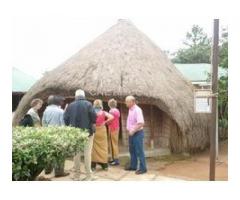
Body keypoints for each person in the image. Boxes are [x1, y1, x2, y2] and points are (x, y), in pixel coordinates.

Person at [64, 89, 96, 181]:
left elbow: (65, 118)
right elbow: (94, 117)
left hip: (75, 134)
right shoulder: (88, 104)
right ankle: (88, 176)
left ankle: (77, 176)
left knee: (76, 154)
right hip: (87, 133)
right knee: (87, 154)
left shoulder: (70, 105)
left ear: (76, 96)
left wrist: (70, 128)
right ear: (84, 96)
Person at [42, 95, 69, 177]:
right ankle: (59, 172)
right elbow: (63, 125)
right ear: (58, 102)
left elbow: (44, 123)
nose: (62, 102)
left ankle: (48, 169)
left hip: (48, 134)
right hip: (58, 135)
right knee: (60, 153)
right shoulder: (60, 111)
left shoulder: (46, 111)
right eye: (61, 101)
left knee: (49, 152)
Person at [125, 96, 147, 174]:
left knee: (139, 151)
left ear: (133, 102)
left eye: (127, 101)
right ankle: (133, 166)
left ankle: (143, 168)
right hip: (131, 133)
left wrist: (133, 130)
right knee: (132, 150)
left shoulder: (137, 110)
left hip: (137, 133)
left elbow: (141, 123)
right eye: (126, 101)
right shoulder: (130, 109)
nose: (126, 103)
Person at [91, 99, 113, 171]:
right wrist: (105, 122)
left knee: (94, 148)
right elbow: (111, 117)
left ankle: (93, 166)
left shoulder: (92, 112)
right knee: (103, 147)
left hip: (94, 130)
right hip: (102, 130)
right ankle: (105, 165)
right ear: (101, 105)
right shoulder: (103, 112)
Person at [107, 98, 121, 166]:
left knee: (112, 144)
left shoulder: (111, 111)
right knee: (115, 143)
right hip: (117, 127)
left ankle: (115, 160)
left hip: (112, 128)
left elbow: (110, 120)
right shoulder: (117, 110)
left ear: (109, 104)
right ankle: (114, 159)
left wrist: (106, 122)